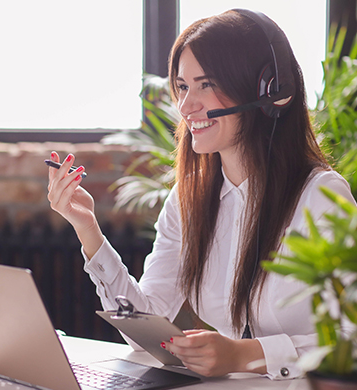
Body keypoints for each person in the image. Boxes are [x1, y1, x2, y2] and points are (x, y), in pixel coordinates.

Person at [47, 9, 356, 380]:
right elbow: (145, 322)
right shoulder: (188, 198)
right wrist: (88, 232)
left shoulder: (320, 195)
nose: (185, 106)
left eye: (206, 84)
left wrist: (246, 356)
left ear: (268, 91)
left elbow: (350, 342)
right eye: (182, 86)